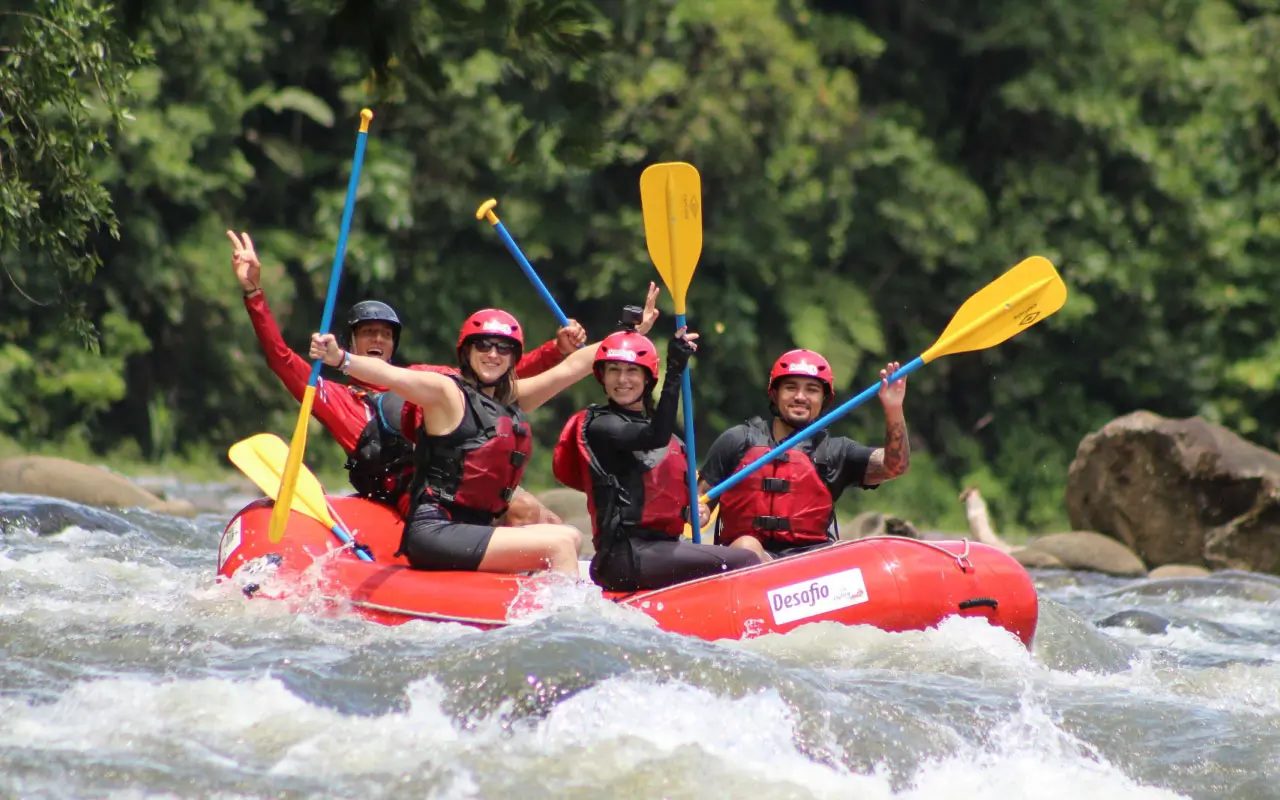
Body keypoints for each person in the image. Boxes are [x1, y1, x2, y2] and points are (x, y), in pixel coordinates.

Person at [227, 229, 606, 522]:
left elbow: (495, 378)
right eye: (368, 333)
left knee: (548, 517)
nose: (378, 339)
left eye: (385, 335)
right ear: (351, 342)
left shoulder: (421, 380)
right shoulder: (335, 398)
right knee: (523, 512)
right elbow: (280, 359)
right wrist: (254, 293)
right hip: (415, 496)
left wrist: (556, 350)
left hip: (460, 479)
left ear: (393, 345)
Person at [309, 308, 606, 576]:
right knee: (561, 544)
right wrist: (341, 359)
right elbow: (391, 375)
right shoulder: (445, 392)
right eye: (483, 345)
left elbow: (570, 368)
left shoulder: (510, 397)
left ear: (513, 357)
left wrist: (628, 339)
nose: (493, 354)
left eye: (503, 348)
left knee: (570, 534)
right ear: (466, 351)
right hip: (436, 531)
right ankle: (568, 626)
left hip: (473, 528)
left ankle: (546, 603)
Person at [552, 323, 760, 591]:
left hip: (660, 550)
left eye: (631, 371)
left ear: (647, 378)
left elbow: (674, 502)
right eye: (613, 370)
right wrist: (674, 370)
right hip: (624, 557)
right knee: (745, 560)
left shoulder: (674, 444)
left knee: (731, 558)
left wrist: (695, 511)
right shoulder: (601, 426)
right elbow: (653, 435)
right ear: (602, 377)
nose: (622, 380)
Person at [698, 349, 911, 562]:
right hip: (747, 563)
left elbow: (895, 466)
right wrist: (699, 512)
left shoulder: (835, 451)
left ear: (823, 399)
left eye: (812, 390)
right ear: (774, 394)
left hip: (808, 567)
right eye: (791, 388)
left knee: (849, 553)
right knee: (748, 546)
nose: (800, 397)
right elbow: (701, 503)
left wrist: (893, 408)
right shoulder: (736, 441)